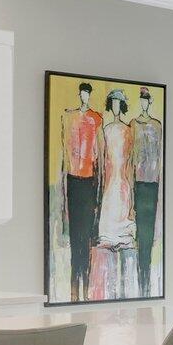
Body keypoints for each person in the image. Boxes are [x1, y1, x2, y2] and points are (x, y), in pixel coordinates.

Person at [57, 82, 103, 301]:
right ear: (79, 94)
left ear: (89, 96)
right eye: (82, 93)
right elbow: (64, 155)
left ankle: (85, 289)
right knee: (76, 235)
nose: (84, 96)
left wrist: (99, 191)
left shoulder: (96, 119)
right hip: (74, 180)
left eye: (87, 94)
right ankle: (74, 288)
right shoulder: (69, 117)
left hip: (89, 182)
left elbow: (99, 157)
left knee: (86, 237)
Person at [93, 88, 138, 297]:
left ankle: (123, 235)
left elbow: (129, 161)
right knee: (110, 203)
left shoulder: (128, 130)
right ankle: (110, 236)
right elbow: (102, 159)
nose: (116, 107)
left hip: (122, 177)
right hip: (110, 176)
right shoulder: (106, 129)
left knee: (121, 200)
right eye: (113, 103)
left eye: (119, 103)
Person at [132, 87, 163, 296]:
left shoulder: (157, 126)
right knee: (139, 234)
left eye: (146, 100)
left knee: (148, 234)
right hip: (138, 183)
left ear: (149, 102)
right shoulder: (133, 124)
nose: (143, 103)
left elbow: (159, 158)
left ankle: (146, 280)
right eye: (141, 100)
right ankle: (140, 276)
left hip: (152, 184)